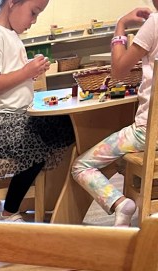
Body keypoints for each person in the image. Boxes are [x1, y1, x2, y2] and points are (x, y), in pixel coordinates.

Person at [0, 0, 75, 221]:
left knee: (66, 124)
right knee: (35, 144)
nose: (33, 21)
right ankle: (9, 212)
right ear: (12, 2)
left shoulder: (10, 35)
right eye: (33, 12)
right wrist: (26, 72)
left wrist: (31, 71)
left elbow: (9, 77)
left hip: (15, 118)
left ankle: (50, 196)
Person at [71, 4, 158, 227]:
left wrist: (121, 24)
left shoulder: (155, 23)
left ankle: (120, 203)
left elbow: (118, 71)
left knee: (81, 166)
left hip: (148, 133)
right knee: (122, 161)